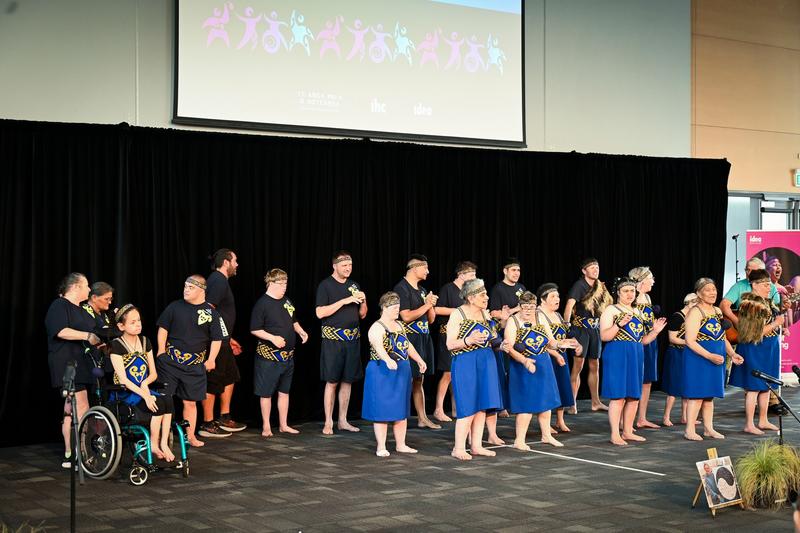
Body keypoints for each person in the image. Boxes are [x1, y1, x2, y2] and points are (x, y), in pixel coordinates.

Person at [156, 275, 226, 447]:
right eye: (185, 286)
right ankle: (159, 437)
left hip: (195, 365)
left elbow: (217, 338)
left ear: (202, 290)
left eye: (191, 287)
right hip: (171, 361)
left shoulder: (211, 312)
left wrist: (211, 359)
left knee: (190, 402)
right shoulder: (175, 307)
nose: (186, 290)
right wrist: (160, 351)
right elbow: (163, 328)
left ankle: (190, 436)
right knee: (164, 399)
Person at [504, 292, 579, 449]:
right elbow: (509, 347)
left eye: (531, 307)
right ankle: (520, 440)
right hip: (523, 364)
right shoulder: (513, 321)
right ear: (520, 307)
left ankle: (547, 435)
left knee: (546, 401)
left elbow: (550, 341)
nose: (528, 310)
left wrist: (560, 344)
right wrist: (524, 361)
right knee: (525, 404)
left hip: (543, 361)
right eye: (525, 307)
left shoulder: (540, 317)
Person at [599, 277, 666, 446]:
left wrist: (655, 332)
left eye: (632, 291)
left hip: (636, 353)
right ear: (618, 293)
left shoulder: (637, 312)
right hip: (617, 353)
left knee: (633, 396)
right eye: (626, 291)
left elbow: (642, 340)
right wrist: (619, 325)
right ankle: (615, 433)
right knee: (618, 396)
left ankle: (628, 431)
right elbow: (604, 336)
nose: (630, 294)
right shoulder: (611, 310)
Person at [45, 273, 102, 468]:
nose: (89, 290)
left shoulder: (83, 310)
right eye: (86, 286)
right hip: (67, 364)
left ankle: (71, 453)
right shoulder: (60, 306)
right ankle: (81, 453)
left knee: (71, 409)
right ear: (75, 287)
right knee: (80, 406)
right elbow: (60, 331)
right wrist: (87, 335)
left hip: (83, 364)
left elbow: (97, 332)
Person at [363, 292, 429, 457]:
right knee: (382, 408)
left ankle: (401, 444)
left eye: (398, 308)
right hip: (382, 370)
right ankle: (381, 446)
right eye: (393, 308)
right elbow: (378, 346)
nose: (396, 311)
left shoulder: (400, 325)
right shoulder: (377, 327)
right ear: (384, 308)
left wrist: (419, 360)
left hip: (402, 369)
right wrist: (387, 360)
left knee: (401, 407)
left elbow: (407, 346)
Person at [445, 278, 503, 461]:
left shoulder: (485, 315)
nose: (486, 297)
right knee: (468, 404)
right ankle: (459, 448)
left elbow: (493, 340)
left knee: (482, 405)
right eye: (482, 294)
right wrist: (467, 341)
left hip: (486, 361)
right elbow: (449, 344)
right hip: (466, 362)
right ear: (470, 297)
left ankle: (476, 446)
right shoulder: (458, 314)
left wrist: (503, 345)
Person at [109, 304, 175, 462]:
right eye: (132, 322)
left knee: (168, 399)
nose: (138, 324)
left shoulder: (145, 342)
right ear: (121, 326)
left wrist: (145, 385)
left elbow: (153, 373)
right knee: (158, 401)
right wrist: (145, 395)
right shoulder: (116, 345)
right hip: (126, 392)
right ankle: (153, 443)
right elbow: (124, 379)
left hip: (142, 388)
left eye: (138, 320)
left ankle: (163, 443)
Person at [683, 278, 743, 441]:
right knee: (697, 395)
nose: (712, 292)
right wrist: (709, 356)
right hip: (699, 358)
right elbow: (690, 340)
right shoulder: (695, 312)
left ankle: (708, 428)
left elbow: (721, 337)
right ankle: (690, 429)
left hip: (716, 358)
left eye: (714, 289)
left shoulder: (717, 311)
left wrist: (731, 354)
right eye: (708, 289)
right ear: (699, 293)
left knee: (709, 396)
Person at [251, 269, 309, 437]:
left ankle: (283, 424)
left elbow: (293, 320)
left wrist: (301, 331)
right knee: (266, 393)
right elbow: (255, 329)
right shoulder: (262, 304)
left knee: (284, 391)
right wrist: (273, 338)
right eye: (281, 283)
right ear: (271, 283)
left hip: (287, 357)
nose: (284, 287)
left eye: (285, 283)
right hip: (268, 358)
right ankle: (267, 426)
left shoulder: (286, 301)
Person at [316, 251, 367, 435]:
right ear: (335, 266)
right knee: (332, 381)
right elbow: (320, 313)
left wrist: (363, 301)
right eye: (345, 265)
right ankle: (328, 421)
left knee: (348, 381)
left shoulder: (354, 285)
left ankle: (343, 420)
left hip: (353, 340)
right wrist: (345, 300)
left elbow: (362, 314)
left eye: (350, 265)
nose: (348, 268)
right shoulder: (326, 286)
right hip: (333, 341)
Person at [728, 269, 784, 434]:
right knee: (753, 387)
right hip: (756, 348)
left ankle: (763, 420)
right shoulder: (751, 303)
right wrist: (776, 324)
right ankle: (749, 424)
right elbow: (754, 333)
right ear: (755, 284)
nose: (769, 287)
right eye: (766, 285)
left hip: (768, 346)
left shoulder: (765, 301)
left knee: (766, 385)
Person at [199, 249, 246, 438]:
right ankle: (207, 423)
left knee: (230, 377)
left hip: (223, 339)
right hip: (215, 342)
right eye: (235, 260)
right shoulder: (218, 280)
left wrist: (228, 337)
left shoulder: (221, 281)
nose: (237, 264)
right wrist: (218, 337)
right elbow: (208, 310)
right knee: (214, 380)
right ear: (226, 262)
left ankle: (224, 417)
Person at [393, 254, 440, 429]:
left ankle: (422, 417)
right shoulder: (401, 288)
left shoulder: (422, 290)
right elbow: (405, 316)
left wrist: (431, 305)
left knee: (419, 378)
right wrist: (427, 305)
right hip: (409, 338)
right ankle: (398, 416)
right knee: (406, 378)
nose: (428, 271)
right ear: (414, 268)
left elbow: (431, 320)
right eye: (425, 268)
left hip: (423, 337)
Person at [563, 258, 612, 413]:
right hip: (580, 329)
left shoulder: (600, 286)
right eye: (591, 267)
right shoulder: (580, 285)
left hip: (595, 330)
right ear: (584, 271)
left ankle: (595, 402)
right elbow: (569, 305)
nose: (595, 270)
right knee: (578, 366)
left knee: (595, 365)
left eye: (597, 267)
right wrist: (566, 326)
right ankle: (572, 403)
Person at [433, 261, 477, 422]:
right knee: (447, 372)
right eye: (471, 275)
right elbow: (437, 309)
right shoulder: (448, 289)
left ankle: (455, 407)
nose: (474, 278)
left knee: (456, 372)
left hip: (463, 338)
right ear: (461, 275)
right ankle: (438, 408)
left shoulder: (468, 293)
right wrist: (460, 311)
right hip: (448, 335)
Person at [487, 257, 524, 441]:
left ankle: (513, 402)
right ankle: (501, 406)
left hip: (520, 333)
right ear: (505, 271)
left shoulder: (521, 288)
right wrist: (511, 311)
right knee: (504, 370)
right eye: (513, 270)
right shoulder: (498, 289)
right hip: (503, 333)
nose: (516, 273)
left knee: (516, 369)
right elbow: (493, 312)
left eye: (518, 270)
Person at [536, 283, 580, 433]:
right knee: (547, 389)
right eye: (553, 296)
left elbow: (567, 335)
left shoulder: (558, 315)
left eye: (558, 296)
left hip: (562, 354)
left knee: (562, 386)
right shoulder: (539, 315)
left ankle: (560, 420)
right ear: (543, 299)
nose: (557, 299)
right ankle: (545, 423)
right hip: (547, 356)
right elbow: (541, 340)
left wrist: (576, 344)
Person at [629, 266, 661, 429]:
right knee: (634, 379)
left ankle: (642, 418)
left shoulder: (647, 298)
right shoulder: (631, 298)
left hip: (650, 341)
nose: (653, 281)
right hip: (636, 342)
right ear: (642, 280)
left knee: (647, 380)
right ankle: (625, 420)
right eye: (651, 278)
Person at [661, 292, 698, 426]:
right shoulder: (677, 317)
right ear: (691, 303)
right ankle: (666, 416)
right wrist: (691, 342)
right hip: (676, 353)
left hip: (687, 353)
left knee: (686, 385)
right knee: (673, 387)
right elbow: (672, 338)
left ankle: (685, 416)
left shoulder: (692, 317)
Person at [720, 258, 780, 332]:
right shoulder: (739, 286)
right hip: (747, 331)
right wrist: (737, 322)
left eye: (752, 271)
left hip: (767, 331)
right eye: (747, 270)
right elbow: (723, 305)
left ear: (762, 271)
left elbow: (776, 309)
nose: (748, 273)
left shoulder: (771, 287)